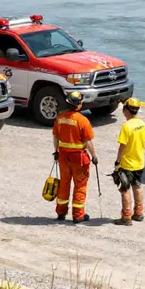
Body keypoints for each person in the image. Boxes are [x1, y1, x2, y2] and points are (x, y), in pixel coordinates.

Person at [52, 91, 98, 223]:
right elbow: (88, 142)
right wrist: (94, 156)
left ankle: (61, 212)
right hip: (78, 158)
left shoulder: (60, 118)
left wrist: (56, 151)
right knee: (80, 185)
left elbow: (55, 137)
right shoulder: (82, 120)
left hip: (63, 156)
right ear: (79, 105)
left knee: (64, 184)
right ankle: (78, 215)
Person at [113, 97, 145, 226]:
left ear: (126, 110)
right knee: (137, 187)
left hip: (127, 164)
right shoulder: (142, 124)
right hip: (139, 162)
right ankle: (139, 213)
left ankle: (126, 217)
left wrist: (117, 162)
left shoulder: (127, 126)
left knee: (125, 189)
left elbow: (122, 146)